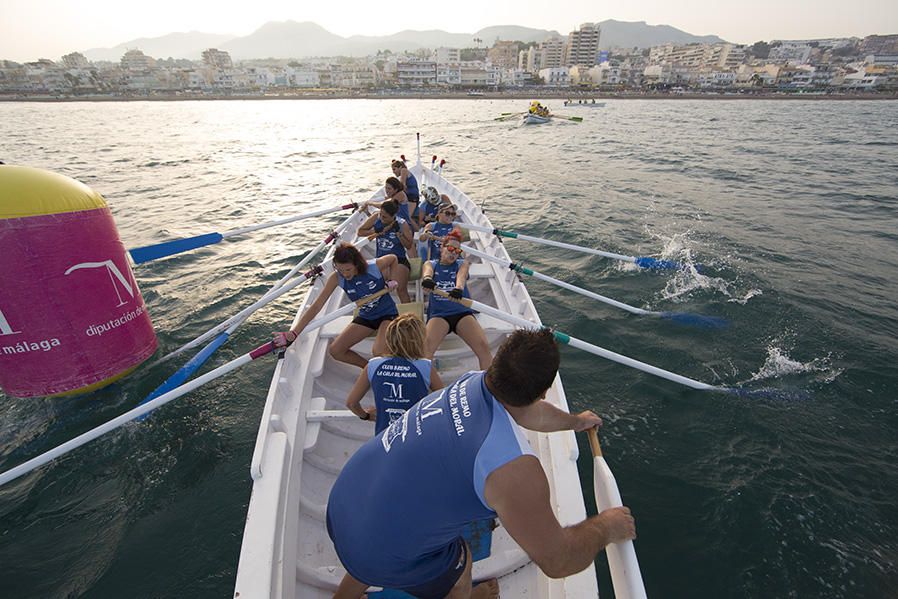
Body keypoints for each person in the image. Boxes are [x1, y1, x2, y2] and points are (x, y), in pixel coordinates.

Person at [326, 328, 636, 599]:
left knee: (393, 529)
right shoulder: (513, 470)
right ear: (542, 390)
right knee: (461, 561)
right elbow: (558, 561)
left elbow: (531, 412)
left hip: (343, 506)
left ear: (498, 366)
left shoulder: (472, 382)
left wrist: (575, 422)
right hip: (380, 552)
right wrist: (606, 526)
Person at [272, 242, 399, 369]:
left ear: (357, 264)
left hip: (387, 314)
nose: (345, 274)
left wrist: (391, 280)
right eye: (340, 270)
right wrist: (294, 333)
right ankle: (370, 369)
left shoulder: (373, 267)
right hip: (366, 316)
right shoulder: (337, 278)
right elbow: (317, 306)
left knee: (378, 352)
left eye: (348, 269)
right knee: (336, 351)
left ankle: (380, 368)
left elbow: (393, 258)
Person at [344, 313, 444, 434]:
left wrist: (366, 416)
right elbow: (444, 401)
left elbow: (351, 403)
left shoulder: (372, 365)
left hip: (385, 434)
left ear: (389, 339)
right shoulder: (425, 366)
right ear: (419, 340)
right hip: (416, 434)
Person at [421, 231, 492, 370]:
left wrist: (458, 288)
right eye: (451, 248)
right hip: (439, 315)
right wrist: (428, 280)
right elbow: (427, 272)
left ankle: (487, 386)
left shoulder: (462, 263)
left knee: (484, 347)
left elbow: (461, 276)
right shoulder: (431, 264)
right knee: (425, 352)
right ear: (442, 247)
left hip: (461, 312)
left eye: (457, 250)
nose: (454, 253)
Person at [358, 199, 413, 303]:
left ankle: (408, 316)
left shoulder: (402, 224)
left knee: (401, 289)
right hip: (381, 260)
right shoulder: (376, 217)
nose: (381, 218)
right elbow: (360, 232)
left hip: (399, 260)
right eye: (381, 215)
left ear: (393, 216)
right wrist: (374, 230)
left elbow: (409, 245)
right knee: (371, 289)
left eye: (385, 217)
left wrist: (399, 234)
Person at [392, 159, 420, 228]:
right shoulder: (402, 173)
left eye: (394, 169)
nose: (393, 172)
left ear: (400, 167)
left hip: (412, 198)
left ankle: (417, 230)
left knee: (407, 216)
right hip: (408, 197)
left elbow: (402, 185)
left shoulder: (403, 170)